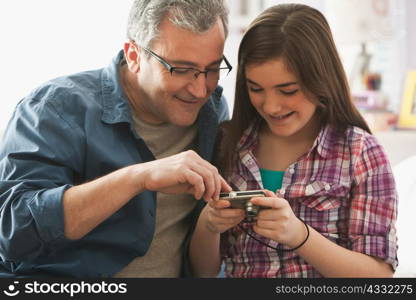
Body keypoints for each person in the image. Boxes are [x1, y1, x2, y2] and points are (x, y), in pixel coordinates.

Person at [0, 0, 232, 278]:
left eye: (212, 68)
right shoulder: (55, 107)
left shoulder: (213, 111)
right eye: (180, 70)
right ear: (133, 55)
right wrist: (138, 178)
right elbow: (13, 233)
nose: (199, 89)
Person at [189, 3, 398, 278]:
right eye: (256, 89)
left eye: (287, 90)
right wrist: (208, 224)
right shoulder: (230, 143)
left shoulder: (361, 153)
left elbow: (378, 277)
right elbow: (204, 272)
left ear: (320, 78)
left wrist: (300, 236)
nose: (272, 106)